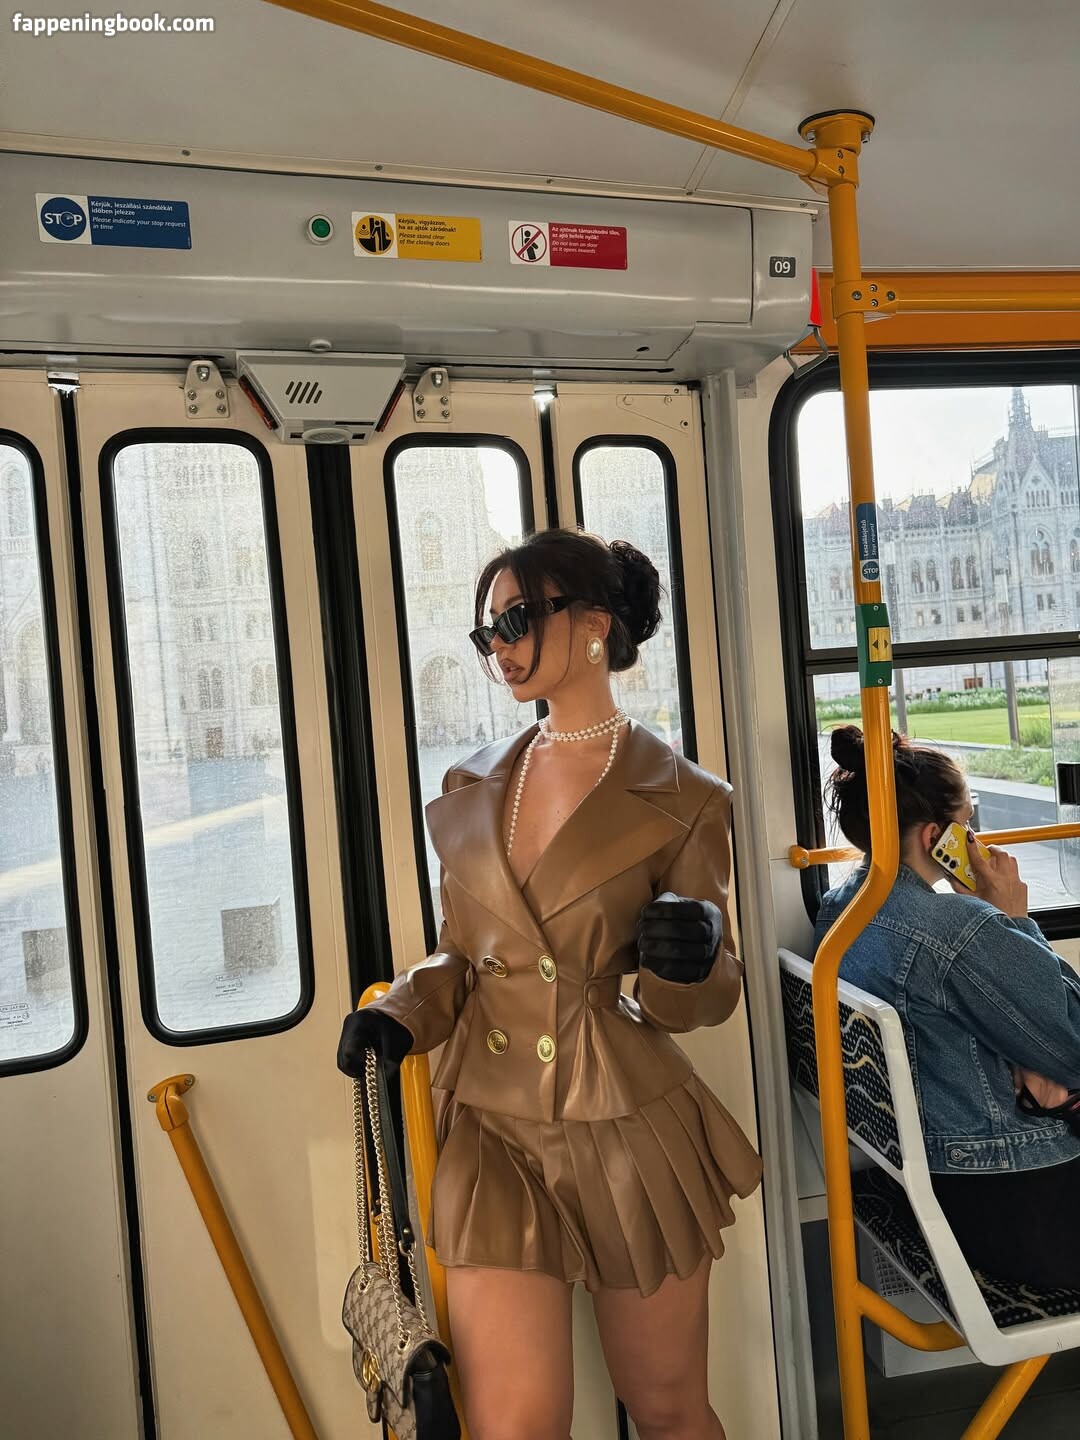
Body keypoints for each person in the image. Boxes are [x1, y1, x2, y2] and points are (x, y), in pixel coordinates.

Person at [338, 529, 761, 1440]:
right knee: (513, 1426)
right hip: (493, 1127)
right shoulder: (475, 781)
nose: (500, 646)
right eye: (488, 630)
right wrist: (400, 1012)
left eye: (518, 619)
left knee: (667, 1407)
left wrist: (691, 959)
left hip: (625, 1121)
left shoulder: (686, 796)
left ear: (595, 624)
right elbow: (462, 953)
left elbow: (705, 996)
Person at [815, 725, 1080, 1289]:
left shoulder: (839, 908)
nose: (976, 841)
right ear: (937, 836)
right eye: (969, 825)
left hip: (948, 1192)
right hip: (1024, 1201)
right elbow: (1072, 1043)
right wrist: (1014, 919)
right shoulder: (956, 931)